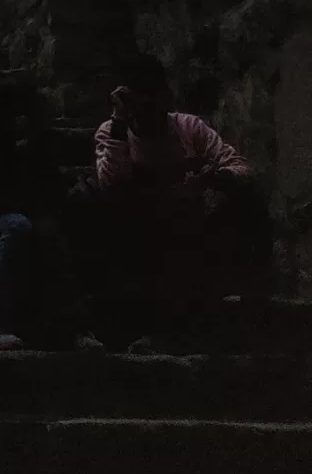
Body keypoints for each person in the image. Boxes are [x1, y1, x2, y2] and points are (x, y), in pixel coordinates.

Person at [91, 55, 272, 342]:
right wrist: (118, 121)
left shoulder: (188, 128)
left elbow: (241, 168)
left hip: (192, 229)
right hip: (143, 236)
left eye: (157, 97)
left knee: (249, 203)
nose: (151, 108)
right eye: (142, 99)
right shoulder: (114, 133)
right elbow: (110, 183)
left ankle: (256, 313)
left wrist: (212, 178)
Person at [0, 82, 101, 351]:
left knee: (51, 229)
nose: (20, 122)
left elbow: (54, 191)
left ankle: (73, 326)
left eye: (25, 116)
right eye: (14, 115)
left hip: (28, 220)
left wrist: (33, 159)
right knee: (18, 226)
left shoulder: (35, 143)